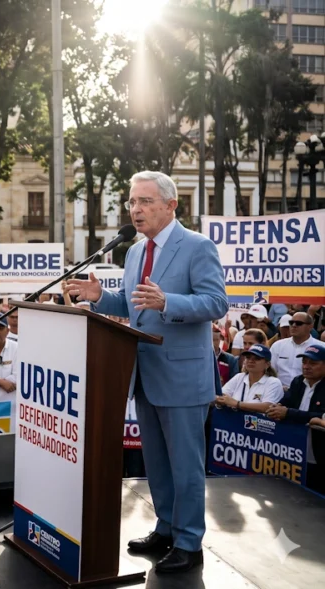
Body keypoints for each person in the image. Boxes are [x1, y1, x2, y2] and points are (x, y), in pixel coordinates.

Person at [67, 170, 227, 574]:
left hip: (184, 377)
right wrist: (102, 297)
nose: (135, 210)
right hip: (144, 373)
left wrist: (168, 302)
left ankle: (189, 543)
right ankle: (166, 527)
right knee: (157, 462)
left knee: (185, 465)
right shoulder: (135, 251)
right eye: (132, 203)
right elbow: (134, 304)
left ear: (171, 205)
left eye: (145, 202)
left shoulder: (197, 246)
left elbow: (215, 302)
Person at [266, 344, 325, 493]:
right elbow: (286, 403)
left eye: (313, 363)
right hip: (295, 451)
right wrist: (275, 409)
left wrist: (288, 413)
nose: (306, 366)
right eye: (304, 362)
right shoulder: (298, 381)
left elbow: (320, 417)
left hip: (320, 454)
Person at [214, 344, 284, 413]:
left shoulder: (273, 382)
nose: (251, 361)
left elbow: (268, 407)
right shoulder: (239, 377)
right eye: (248, 357)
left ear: (267, 364)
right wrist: (219, 399)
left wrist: (237, 403)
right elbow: (222, 395)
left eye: (257, 358)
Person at [270, 312, 324, 391]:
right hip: (279, 391)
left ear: (310, 326)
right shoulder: (277, 345)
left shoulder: (322, 347)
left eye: (299, 323)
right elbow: (270, 371)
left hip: (310, 392)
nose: (294, 325)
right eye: (291, 323)